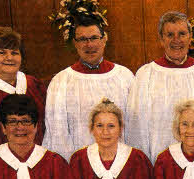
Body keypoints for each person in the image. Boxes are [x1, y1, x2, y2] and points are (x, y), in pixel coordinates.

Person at [126, 11, 194, 163]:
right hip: (159, 161)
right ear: (161, 40)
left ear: (190, 38)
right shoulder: (146, 75)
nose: (176, 40)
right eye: (170, 35)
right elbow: (137, 125)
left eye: (182, 34)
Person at [44, 15, 135, 160]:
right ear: (75, 43)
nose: (89, 44)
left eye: (94, 38)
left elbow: (133, 124)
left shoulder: (124, 77)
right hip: (80, 165)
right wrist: (69, 164)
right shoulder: (61, 81)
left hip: (120, 161)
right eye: (82, 39)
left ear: (104, 39)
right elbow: (57, 131)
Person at [70, 98, 153, 179]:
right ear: (92, 129)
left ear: (120, 129)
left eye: (111, 126)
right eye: (99, 125)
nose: (105, 132)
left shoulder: (137, 160)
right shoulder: (79, 160)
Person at [0, 27, 46, 157]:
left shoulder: (34, 85)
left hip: (36, 160)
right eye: (2, 52)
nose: (9, 58)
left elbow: (47, 125)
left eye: (14, 53)